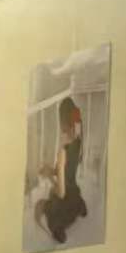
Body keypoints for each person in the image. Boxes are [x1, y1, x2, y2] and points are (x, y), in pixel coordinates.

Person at [34, 96, 87, 243]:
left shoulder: (62, 152)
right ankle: (80, 207)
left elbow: (61, 193)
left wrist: (49, 176)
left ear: (62, 123)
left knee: (48, 202)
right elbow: (69, 169)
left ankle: (58, 229)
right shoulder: (79, 141)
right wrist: (52, 170)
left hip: (65, 202)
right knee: (72, 199)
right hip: (74, 195)